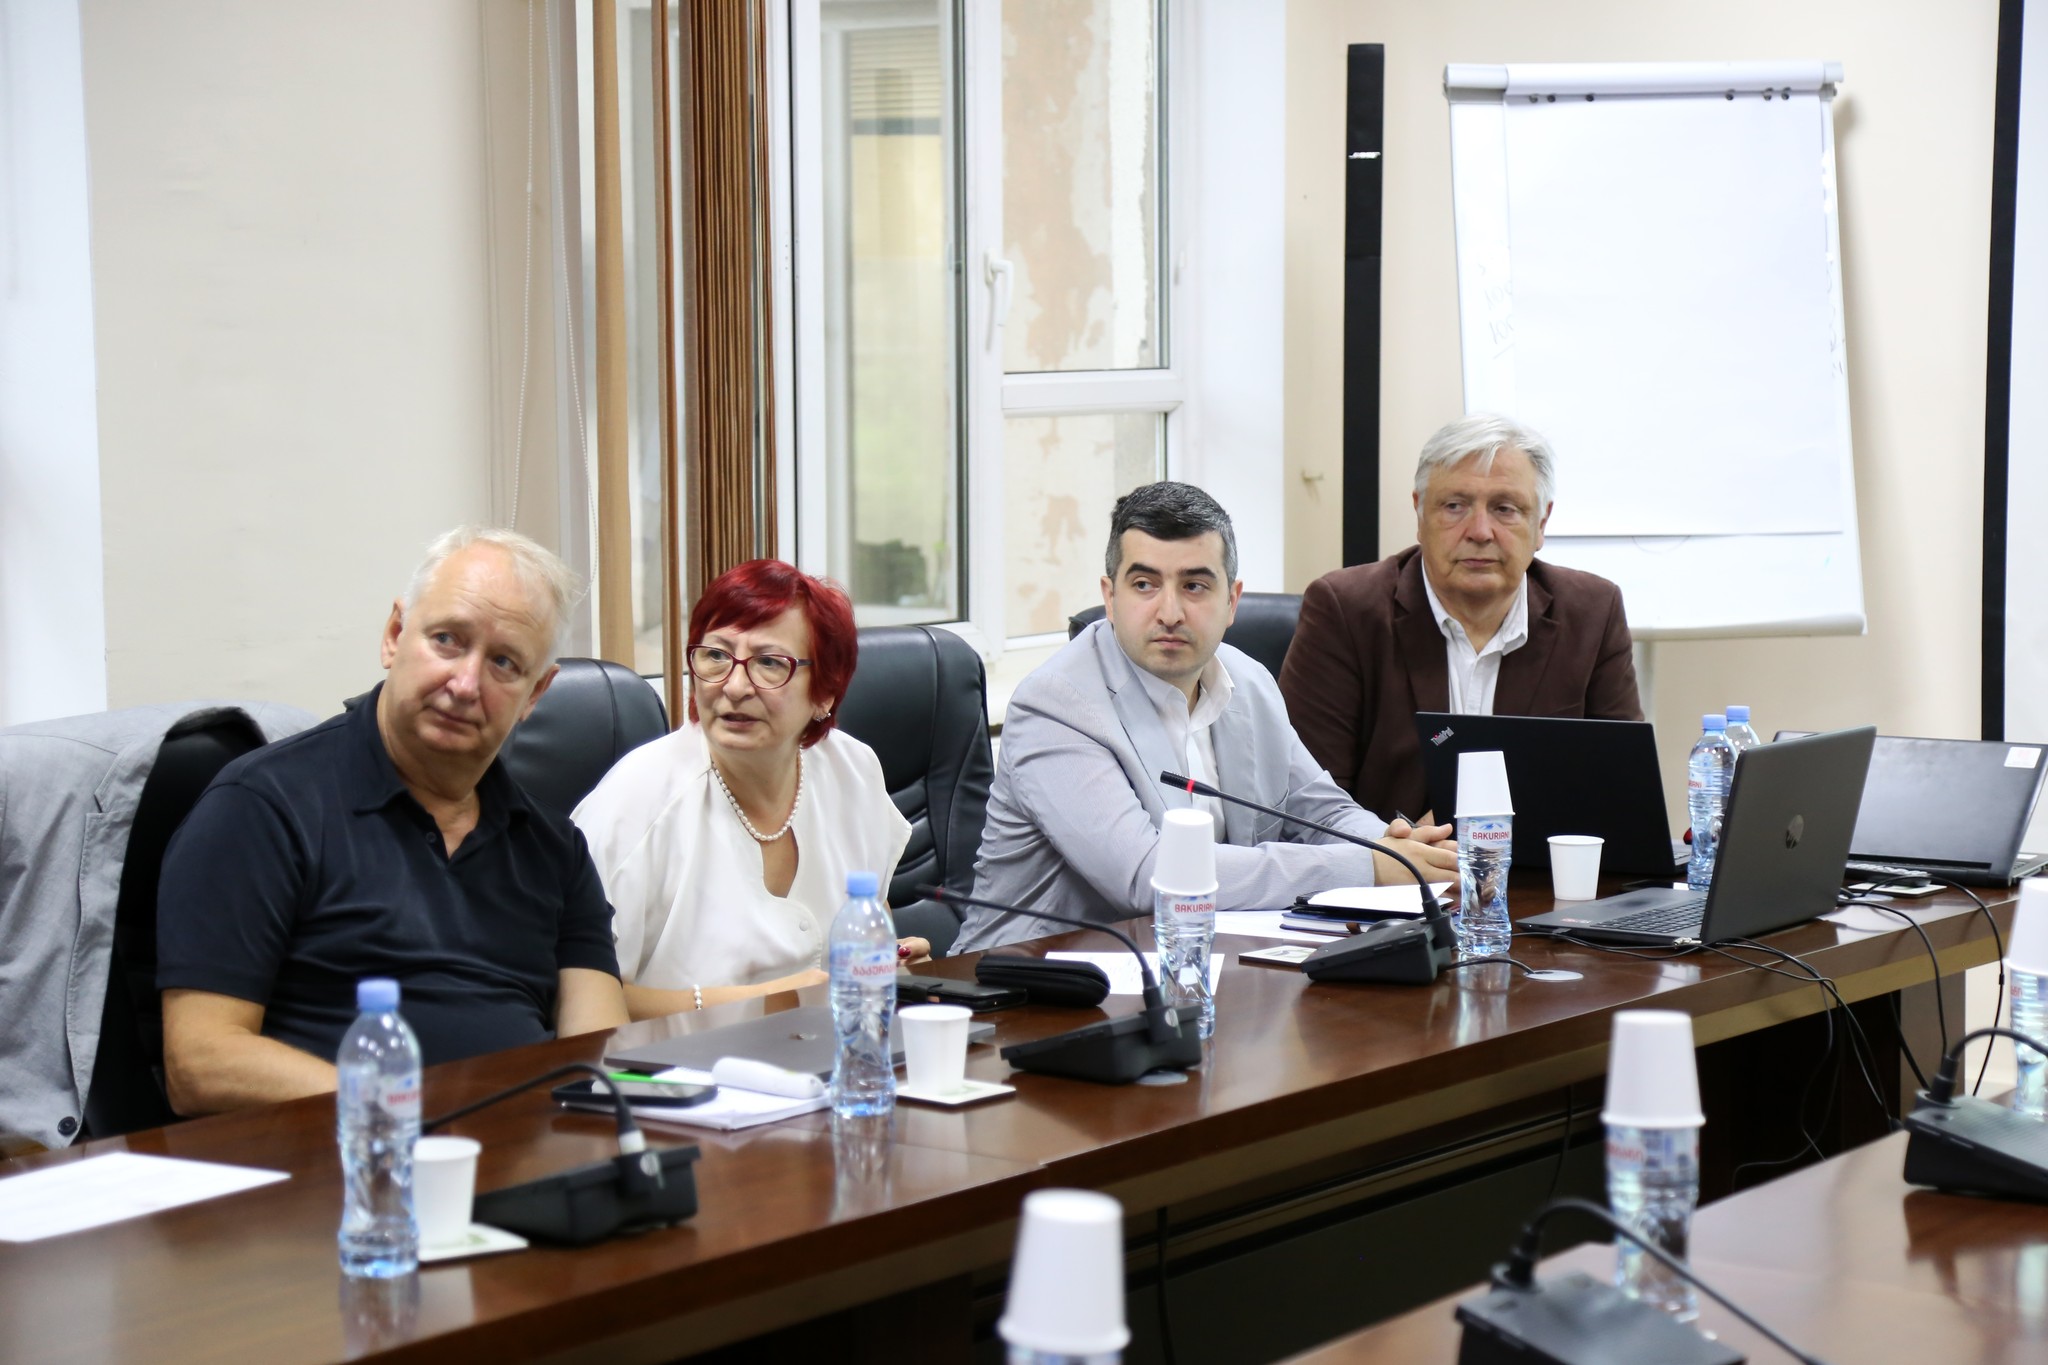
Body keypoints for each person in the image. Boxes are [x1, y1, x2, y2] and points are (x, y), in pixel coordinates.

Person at [156, 527, 630, 1116]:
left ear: (535, 694)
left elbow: (597, 1056)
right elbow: (201, 1063)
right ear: (395, 635)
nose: (465, 684)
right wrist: (417, 1113)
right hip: (335, 1155)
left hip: (525, 1149)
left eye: (504, 663)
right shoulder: (261, 806)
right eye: (447, 640)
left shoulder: (554, 848)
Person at [953, 482, 1455, 953]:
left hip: (1199, 965)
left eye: (1194, 586)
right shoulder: (1055, 704)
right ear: (1110, 597)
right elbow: (1148, 877)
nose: (1170, 612)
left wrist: (1396, 847)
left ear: (1231, 601)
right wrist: (1367, 866)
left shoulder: (1248, 682)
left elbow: (1322, 813)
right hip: (1029, 982)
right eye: (1144, 584)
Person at [573, 561, 916, 1021]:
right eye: (716, 656)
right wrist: (759, 999)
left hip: (827, 1052)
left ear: (826, 692)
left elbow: (872, 919)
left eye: (769, 663)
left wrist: (890, 962)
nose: (734, 687)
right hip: (673, 1064)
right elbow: (577, 998)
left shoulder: (852, 770)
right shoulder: (636, 802)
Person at [1280, 414, 1643, 820]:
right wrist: (1399, 844)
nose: (1480, 531)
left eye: (1505, 509)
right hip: (1385, 858)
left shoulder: (1592, 612)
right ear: (1420, 514)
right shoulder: (1345, 610)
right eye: (1455, 506)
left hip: (1539, 860)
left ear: (1541, 523)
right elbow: (1307, 802)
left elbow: (1621, 791)